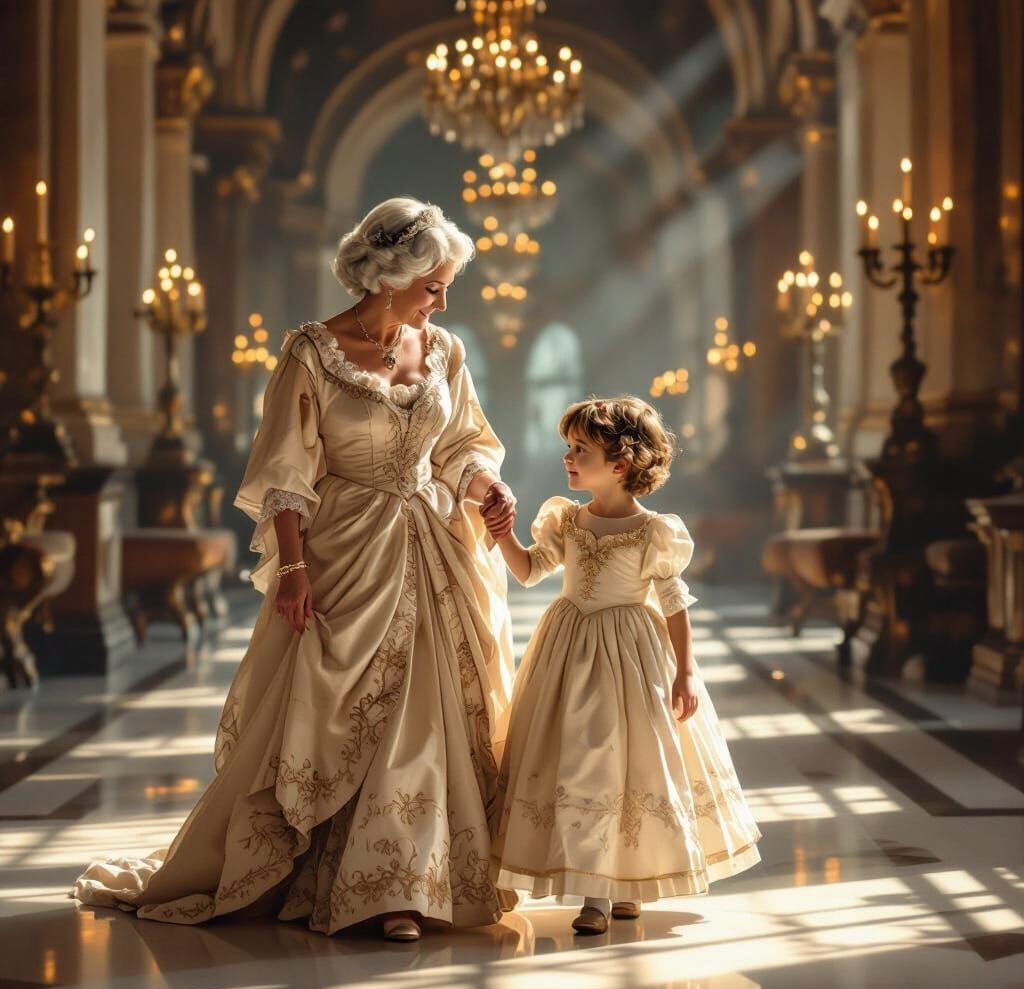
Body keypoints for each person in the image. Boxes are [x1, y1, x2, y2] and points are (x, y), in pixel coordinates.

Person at [72, 198, 518, 943]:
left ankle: (416, 880)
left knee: (433, 711)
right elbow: (286, 470)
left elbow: (462, 444)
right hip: (345, 547)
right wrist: (293, 568)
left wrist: (487, 487)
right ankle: (358, 881)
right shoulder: (312, 352)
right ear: (389, 276)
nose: (442, 303)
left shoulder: (444, 350)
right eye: (433, 286)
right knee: (343, 707)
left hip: (435, 544)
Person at [482, 396, 761, 935]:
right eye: (568, 446)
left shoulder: (654, 530)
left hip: (629, 655)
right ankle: (601, 888)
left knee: (625, 763)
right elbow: (529, 571)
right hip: (567, 651)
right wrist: (502, 536)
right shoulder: (566, 519)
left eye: (580, 449)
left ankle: (615, 889)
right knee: (579, 761)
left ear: (621, 463)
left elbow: (674, 603)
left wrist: (685, 672)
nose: (568, 457)